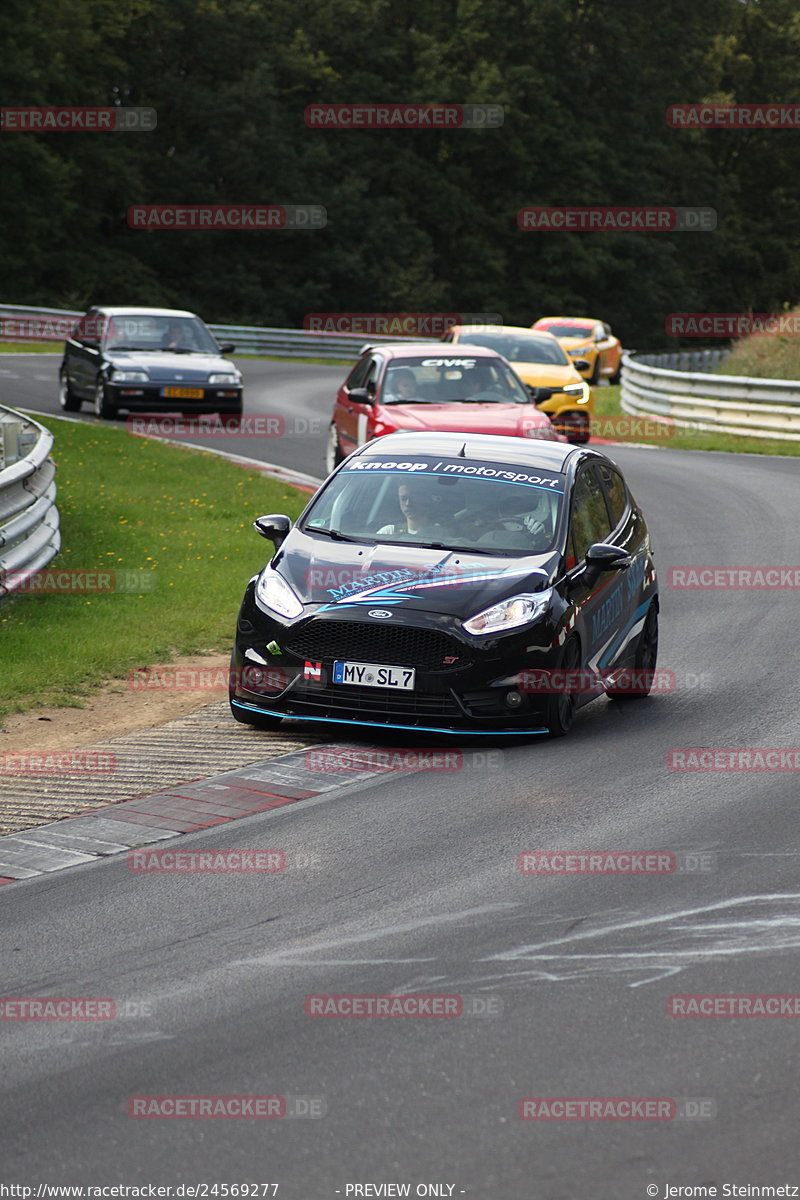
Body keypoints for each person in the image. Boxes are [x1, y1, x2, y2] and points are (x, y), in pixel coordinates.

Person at [377, 479, 446, 539]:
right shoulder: (388, 532)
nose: (408, 503)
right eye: (403, 499)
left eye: (414, 498)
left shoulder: (442, 535)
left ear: (425, 499)